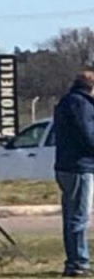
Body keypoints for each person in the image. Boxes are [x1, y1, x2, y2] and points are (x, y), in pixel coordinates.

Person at [54, 70, 94, 278]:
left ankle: (75, 260)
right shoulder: (81, 104)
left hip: (66, 165)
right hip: (79, 166)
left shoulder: (66, 101)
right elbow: (86, 134)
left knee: (71, 215)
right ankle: (78, 262)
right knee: (78, 216)